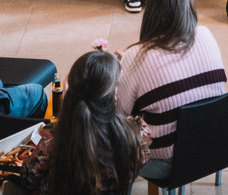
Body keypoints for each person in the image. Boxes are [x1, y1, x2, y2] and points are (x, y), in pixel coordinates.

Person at [115, 0, 226, 179]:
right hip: (216, 147)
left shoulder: (137, 56)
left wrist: (125, 70)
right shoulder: (206, 35)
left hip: (167, 163)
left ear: (152, 9)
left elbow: (120, 116)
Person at [20, 50, 148, 195]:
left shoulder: (51, 143)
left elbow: (27, 180)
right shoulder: (137, 135)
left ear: (70, 96)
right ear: (114, 94)